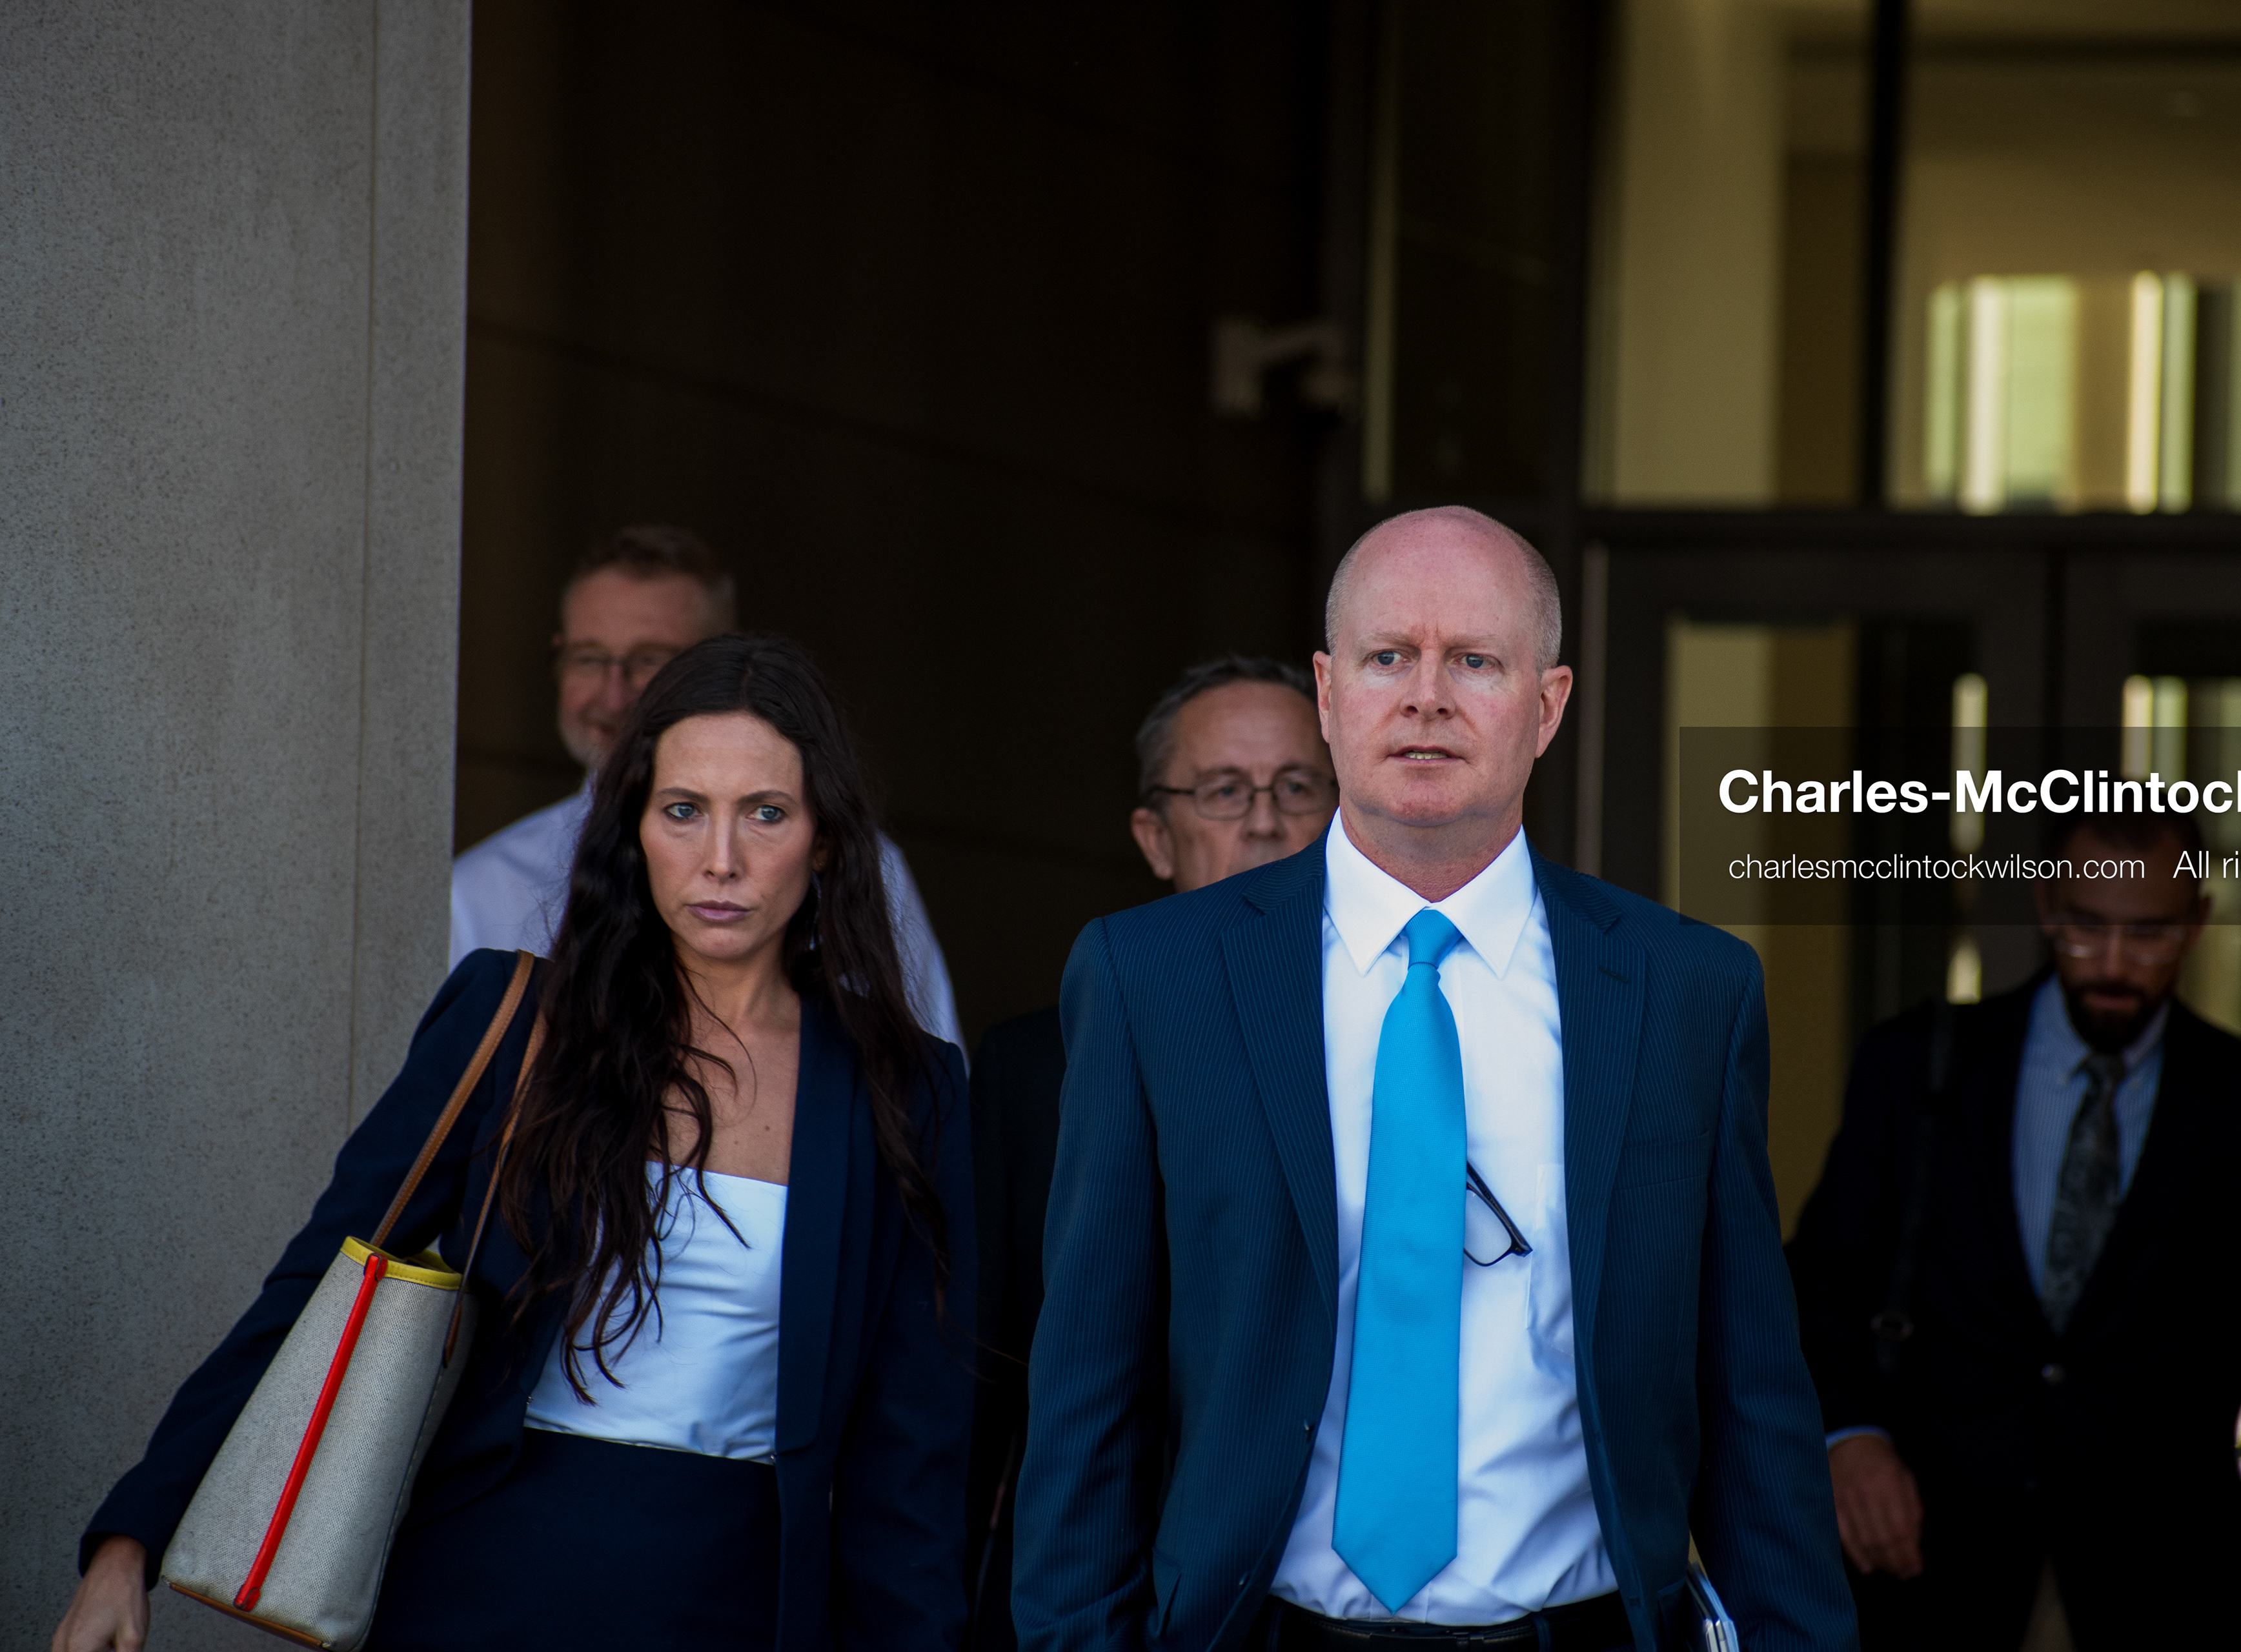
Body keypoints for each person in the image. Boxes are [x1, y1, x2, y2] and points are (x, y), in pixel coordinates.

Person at [1013, 506, 1856, 1651]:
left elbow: (1751, 1397)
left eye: (1474, 660)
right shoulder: (1154, 978)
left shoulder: (1684, 993)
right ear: (1327, 692)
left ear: (1549, 703)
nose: (1425, 697)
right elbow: (1086, 1396)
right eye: (1386, 658)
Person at [56, 636, 975, 1652]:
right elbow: (322, 1279)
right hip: (482, 1578)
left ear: (828, 840)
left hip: (739, 1601)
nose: (723, 860)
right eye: (684, 811)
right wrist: (131, 1536)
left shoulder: (905, 1090)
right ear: (634, 826)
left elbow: (913, 1453)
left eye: (766, 813)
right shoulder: (511, 1022)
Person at [1788, 811, 2241, 1649]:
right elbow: (1820, 1285)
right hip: (1932, 1576)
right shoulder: (1917, 1067)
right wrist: (1850, 1437)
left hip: (2165, 1589)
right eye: (2088, 928)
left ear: (2198, 922)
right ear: (2047, 908)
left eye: (2148, 934)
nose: (2113, 964)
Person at [966, 656, 1334, 1647]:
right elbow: (989, 1380)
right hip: (1102, 1600)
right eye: (1223, 792)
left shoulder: (1417, 1034)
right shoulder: (1031, 1066)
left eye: (1299, 788)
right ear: (1153, 837)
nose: (1264, 822)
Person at [451, 525, 961, 1047]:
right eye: (589, 658)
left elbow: (918, 1077)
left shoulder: (862, 864)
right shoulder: (475, 892)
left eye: (651, 660)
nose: (614, 693)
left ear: (725, 667)